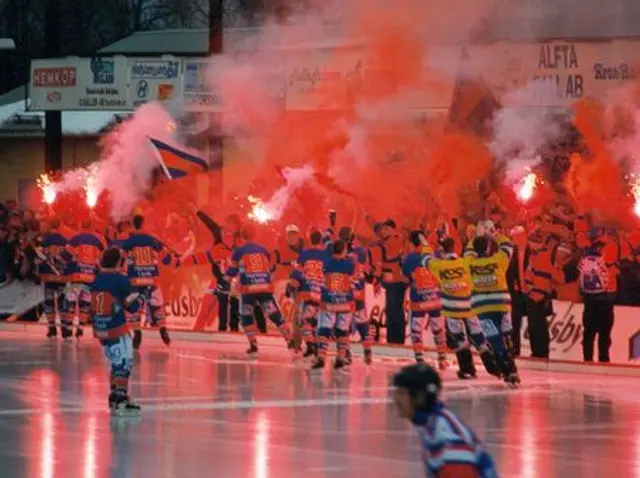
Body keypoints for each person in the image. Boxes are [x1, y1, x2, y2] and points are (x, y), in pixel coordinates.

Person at [392, 364, 499, 478]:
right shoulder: (433, 424)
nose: (395, 398)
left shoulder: (446, 437)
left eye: (402, 393)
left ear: (420, 397)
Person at [422, 237, 499, 379]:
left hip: (452, 310)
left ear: (441, 251)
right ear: (455, 248)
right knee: (479, 338)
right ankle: (494, 367)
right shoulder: (465, 262)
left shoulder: (439, 265)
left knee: (460, 340)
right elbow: (471, 251)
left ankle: (467, 370)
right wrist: (474, 236)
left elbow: (426, 259)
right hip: (470, 306)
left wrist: (425, 243)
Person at [225, 224, 294, 355]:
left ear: (241, 236)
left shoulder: (238, 252)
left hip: (248, 289)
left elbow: (231, 272)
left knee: (246, 317)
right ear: (254, 234)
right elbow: (271, 267)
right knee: (274, 314)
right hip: (264, 287)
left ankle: (253, 344)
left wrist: (225, 281)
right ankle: (288, 339)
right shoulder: (263, 250)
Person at [90, 247, 144, 415]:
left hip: (100, 328)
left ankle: (114, 396)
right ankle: (120, 399)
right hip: (116, 328)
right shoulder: (120, 280)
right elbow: (133, 306)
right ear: (119, 262)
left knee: (114, 362)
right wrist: (140, 298)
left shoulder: (96, 280)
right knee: (123, 363)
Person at [466, 232, 520, 386]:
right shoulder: (499, 260)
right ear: (489, 246)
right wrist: (496, 234)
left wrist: (474, 236)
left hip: (483, 310)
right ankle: (511, 370)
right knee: (506, 338)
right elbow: (508, 246)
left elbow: (468, 251)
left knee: (495, 340)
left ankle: (506, 371)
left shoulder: (469, 262)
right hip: (502, 306)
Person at [122, 215, 173, 349]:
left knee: (133, 308)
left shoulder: (128, 242)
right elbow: (166, 257)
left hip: (135, 281)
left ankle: (137, 333)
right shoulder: (153, 240)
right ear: (143, 224)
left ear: (133, 225)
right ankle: (163, 330)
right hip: (152, 280)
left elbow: (121, 259)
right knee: (157, 306)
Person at [402, 231, 447, 368]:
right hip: (435, 298)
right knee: (438, 329)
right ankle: (442, 358)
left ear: (411, 243)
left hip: (419, 299)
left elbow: (405, 275)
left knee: (416, 330)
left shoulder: (410, 258)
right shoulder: (435, 255)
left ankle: (420, 359)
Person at [311, 239, 355, 371]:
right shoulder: (349, 264)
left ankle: (321, 357)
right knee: (342, 330)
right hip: (345, 302)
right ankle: (341, 357)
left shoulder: (326, 262)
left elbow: (320, 278)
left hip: (329, 301)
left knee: (324, 329)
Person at [577, 228, 618, 363]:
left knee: (589, 332)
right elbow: (614, 270)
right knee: (604, 334)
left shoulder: (585, 252)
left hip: (589, 298)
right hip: (606, 297)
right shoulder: (610, 249)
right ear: (603, 235)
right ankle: (603, 361)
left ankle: (587, 360)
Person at [64, 217, 105, 339]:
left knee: (70, 302)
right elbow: (101, 259)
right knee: (84, 304)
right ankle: (80, 328)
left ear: (81, 225)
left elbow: (65, 255)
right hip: (90, 278)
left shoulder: (75, 239)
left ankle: (69, 328)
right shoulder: (98, 241)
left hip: (76, 277)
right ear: (91, 226)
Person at [289, 229, 327, 358]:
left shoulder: (304, 254)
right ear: (321, 241)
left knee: (305, 320)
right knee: (317, 321)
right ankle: (316, 346)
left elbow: (297, 274)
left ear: (310, 241)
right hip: (321, 293)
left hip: (307, 292)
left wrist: (293, 284)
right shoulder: (326, 255)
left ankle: (309, 345)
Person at [370, 219, 408, 344]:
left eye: (386, 229)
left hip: (397, 280)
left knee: (395, 311)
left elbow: (387, 256)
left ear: (393, 229)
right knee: (392, 310)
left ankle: (396, 340)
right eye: (382, 229)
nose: (383, 232)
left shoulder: (396, 240)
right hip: (392, 281)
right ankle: (394, 339)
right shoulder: (389, 241)